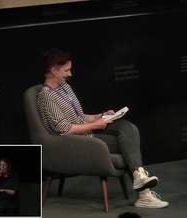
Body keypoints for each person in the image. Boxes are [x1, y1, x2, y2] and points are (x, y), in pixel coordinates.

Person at [37, 48, 168, 209]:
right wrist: (93, 126)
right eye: (66, 70)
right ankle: (143, 193)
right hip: (74, 141)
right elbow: (64, 129)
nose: (70, 74)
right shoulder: (47, 96)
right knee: (124, 142)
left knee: (127, 127)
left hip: (87, 131)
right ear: (53, 70)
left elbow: (80, 116)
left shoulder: (64, 87)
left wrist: (102, 116)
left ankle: (139, 176)